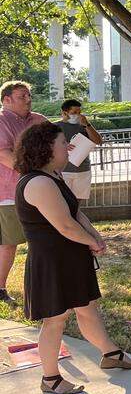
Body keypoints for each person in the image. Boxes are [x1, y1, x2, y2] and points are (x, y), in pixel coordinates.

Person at [14, 122, 131, 393]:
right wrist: (93, 243)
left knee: (87, 307)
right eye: (63, 143)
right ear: (46, 149)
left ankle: (110, 354)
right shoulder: (38, 182)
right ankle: (50, 379)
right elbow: (65, 226)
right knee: (55, 319)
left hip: (69, 255)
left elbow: (76, 214)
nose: (69, 147)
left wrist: (95, 236)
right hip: (52, 261)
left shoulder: (54, 176)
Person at [0, 81, 48, 306]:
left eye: (29, 95)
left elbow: (56, 139)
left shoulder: (37, 119)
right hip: (9, 192)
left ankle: (41, 287)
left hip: (39, 190)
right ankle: (0, 288)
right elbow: (4, 155)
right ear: (6, 99)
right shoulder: (1, 121)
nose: (28, 99)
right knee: (9, 244)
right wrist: (36, 173)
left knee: (40, 239)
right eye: (22, 96)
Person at [55, 99, 103, 202]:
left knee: (77, 202)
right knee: (63, 201)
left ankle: (75, 217)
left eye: (79, 112)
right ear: (64, 113)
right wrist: (62, 146)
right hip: (63, 171)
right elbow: (46, 146)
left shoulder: (84, 125)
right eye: (74, 113)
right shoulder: (55, 127)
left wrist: (87, 125)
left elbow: (98, 141)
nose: (77, 115)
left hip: (83, 170)